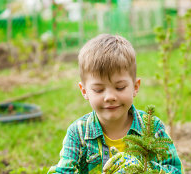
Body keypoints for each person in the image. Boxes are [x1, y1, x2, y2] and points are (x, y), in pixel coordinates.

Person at [48, 34, 183, 174]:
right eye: (98, 90)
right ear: (84, 91)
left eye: (120, 88)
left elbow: (174, 170)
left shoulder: (152, 128)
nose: (110, 97)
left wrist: (142, 168)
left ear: (135, 87)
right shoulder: (78, 133)